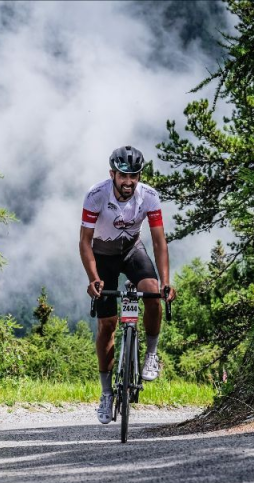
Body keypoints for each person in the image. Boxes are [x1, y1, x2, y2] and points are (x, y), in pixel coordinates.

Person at [79, 145, 176, 424]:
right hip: (103, 255)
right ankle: (107, 393)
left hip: (133, 250)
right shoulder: (96, 195)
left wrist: (166, 282)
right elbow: (84, 242)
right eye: (123, 176)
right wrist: (93, 278)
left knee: (152, 292)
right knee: (107, 325)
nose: (128, 182)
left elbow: (159, 242)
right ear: (112, 174)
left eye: (134, 175)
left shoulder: (149, 197)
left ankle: (151, 354)